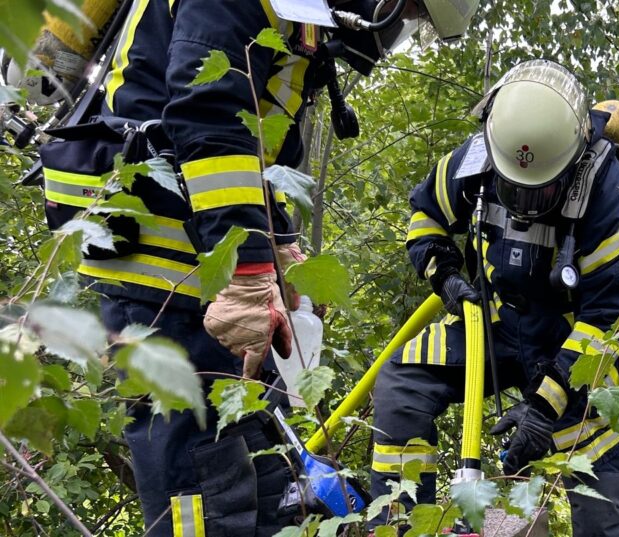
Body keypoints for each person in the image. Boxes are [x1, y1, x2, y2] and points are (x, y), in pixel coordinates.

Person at [35, 0, 478, 535]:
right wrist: (247, 274)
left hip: (207, 274)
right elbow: (209, 115)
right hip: (166, 277)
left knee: (266, 482)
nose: (396, 26)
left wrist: (279, 245)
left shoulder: (297, 15)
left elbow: (255, 151)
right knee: (203, 492)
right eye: (404, 8)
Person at [369, 59, 619, 536]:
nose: (522, 205)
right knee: (403, 384)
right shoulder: (481, 155)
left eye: (537, 192)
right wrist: (446, 276)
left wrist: (543, 408)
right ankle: (401, 525)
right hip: (494, 324)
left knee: (597, 487)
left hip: (576, 351)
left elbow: (610, 322)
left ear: (573, 163)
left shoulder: (617, 202)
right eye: (512, 190)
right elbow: (425, 214)